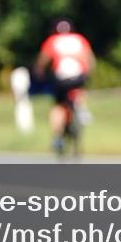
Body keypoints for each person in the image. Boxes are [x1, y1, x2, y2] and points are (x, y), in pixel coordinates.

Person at [34, 18, 95, 155]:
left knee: (58, 106)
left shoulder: (53, 41)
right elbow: (90, 59)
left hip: (61, 79)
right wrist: (88, 75)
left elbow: (42, 61)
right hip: (79, 77)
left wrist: (39, 72)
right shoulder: (79, 39)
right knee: (79, 93)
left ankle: (57, 136)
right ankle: (81, 109)